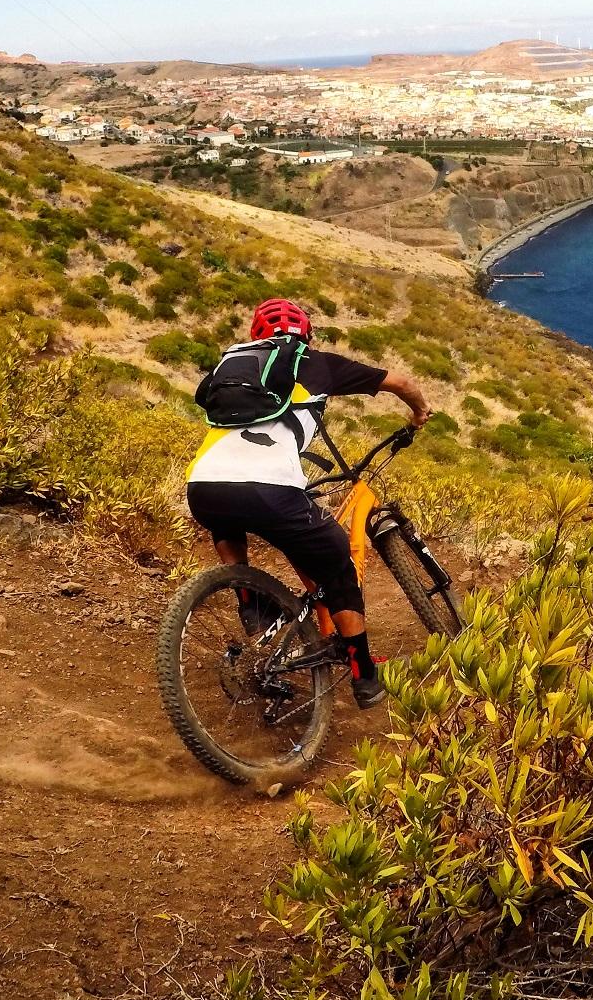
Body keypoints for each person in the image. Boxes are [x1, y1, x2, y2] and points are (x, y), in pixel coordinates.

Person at [184, 296, 430, 708]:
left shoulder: (233, 368)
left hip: (204, 484)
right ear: (306, 336)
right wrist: (419, 412)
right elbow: (401, 383)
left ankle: (248, 598)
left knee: (227, 516)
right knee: (337, 564)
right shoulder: (318, 363)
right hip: (271, 487)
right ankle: (363, 675)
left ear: (256, 337)